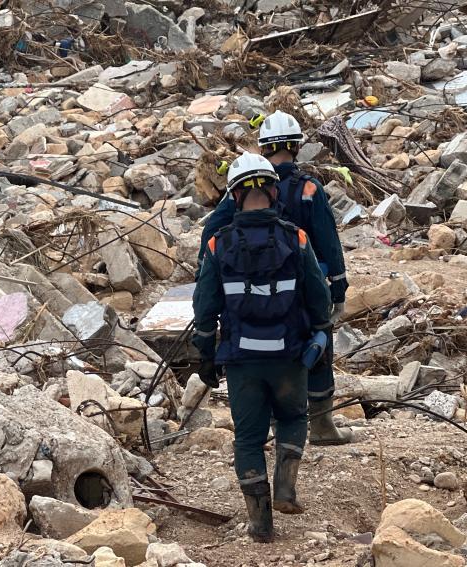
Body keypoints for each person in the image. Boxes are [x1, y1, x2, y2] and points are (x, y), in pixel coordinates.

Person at [192, 152, 332, 543]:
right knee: (293, 417)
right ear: (273, 191)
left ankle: (260, 523)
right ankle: (285, 487)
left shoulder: (218, 244)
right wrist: (321, 334)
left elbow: (204, 307)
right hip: (289, 356)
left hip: (242, 361)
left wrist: (204, 354)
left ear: (234, 196)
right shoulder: (296, 238)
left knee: (248, 438)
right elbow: (319, 298)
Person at [197, 110, 351, 445]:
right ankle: (321, 426)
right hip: (304, 288)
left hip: (251, 289)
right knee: (317, 345)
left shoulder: (244, 187)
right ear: (297, 146)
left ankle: (264, 424)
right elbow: (329, 242)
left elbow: (211, 232)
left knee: (257, 342)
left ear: (264, 147)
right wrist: (338, 288)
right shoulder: (308, 188)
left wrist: (208, 275)